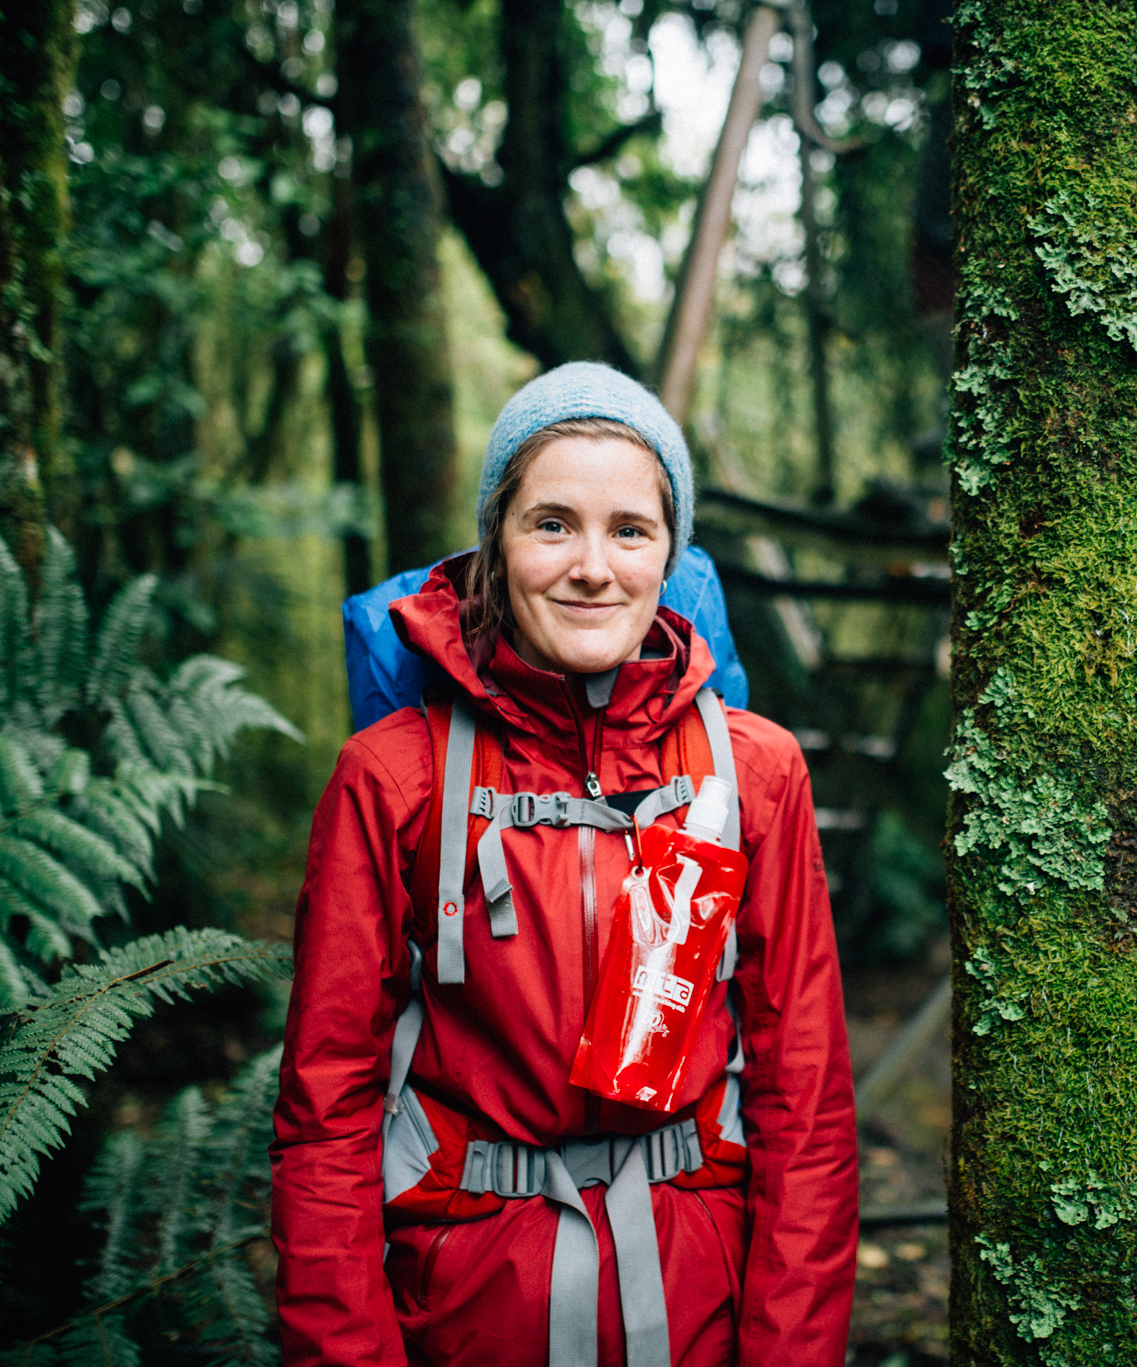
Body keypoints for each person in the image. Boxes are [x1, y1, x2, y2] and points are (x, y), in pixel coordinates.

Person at [271, 363, 858, 1367]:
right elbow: (326, 1117)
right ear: (495, 542)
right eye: (551, 523)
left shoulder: (753, 773)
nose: (593, 565)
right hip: (467, 1311)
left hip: (699, 1307)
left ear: (669, 552)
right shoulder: (392, 778)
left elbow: (804, 1107)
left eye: (629, 529)